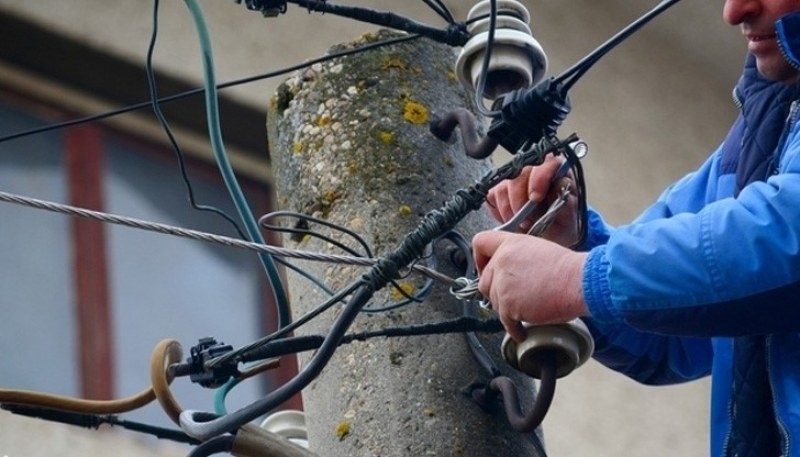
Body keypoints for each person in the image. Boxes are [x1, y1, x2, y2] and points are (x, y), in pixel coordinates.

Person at [471, 0, 800, 455]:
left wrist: (575, 277)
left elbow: (788, 241)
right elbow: (668, 335)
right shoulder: (761, 131)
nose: (734, 11)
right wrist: (574, 239)